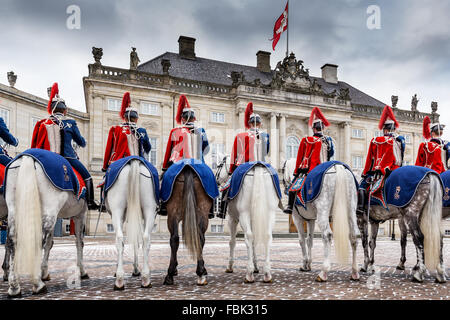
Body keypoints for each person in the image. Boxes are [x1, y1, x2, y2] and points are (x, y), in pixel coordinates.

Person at [32, 82, 99, 210]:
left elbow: (36, 143)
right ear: (64, 110)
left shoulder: (42, 123)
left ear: (52, 110)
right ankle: (90, 202)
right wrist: (83, 141)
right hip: (68, 158)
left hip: (46, 158)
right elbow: (80, 141)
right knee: (87, 176)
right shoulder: (70, 122)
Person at [159, 94, 210, 216]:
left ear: (182, 118)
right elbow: (206, 149)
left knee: (165, 180)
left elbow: (169, 151)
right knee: (210, 180)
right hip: (198, 163)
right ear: (194, 118)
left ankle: (163, 205)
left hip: (177, 164)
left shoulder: (175, 131)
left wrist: (165, 167)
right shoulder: (201, 131)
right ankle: (211, 208)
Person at [217, 102, 270, 219]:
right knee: (274, 180)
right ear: (260, 124)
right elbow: (266, 152)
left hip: (243, 166)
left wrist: (231, 171)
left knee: (226, 187)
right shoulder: (266, 136)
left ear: (249, 123)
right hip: (262, 166)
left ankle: (222, 210)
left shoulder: (240, 136)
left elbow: (234, 154)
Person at [283, 107, 334, 214]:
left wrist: (297, 171)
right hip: (327, 168)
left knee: (293, 186)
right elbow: (332, 153)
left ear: (313, 129)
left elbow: (300, 156)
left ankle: (290, 206)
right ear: (323, 128)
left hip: (310, 170)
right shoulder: (328, 140)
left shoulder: (307, 140)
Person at [357, 105, 405, 215]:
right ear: (393, 129)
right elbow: (401, 157)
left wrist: (365, 173)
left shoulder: (376, 140)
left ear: (385, 129)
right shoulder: (399, 140)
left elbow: (370, 159)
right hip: (395, 171)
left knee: (362, 186)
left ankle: (360, 208)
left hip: (380, 172)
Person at [102, 91, 151, 172]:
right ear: (136, 119)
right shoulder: (142, 131)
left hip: (118, 161)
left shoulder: (115, 129)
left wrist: (105, 167)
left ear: (124, 118)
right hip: (139, 161)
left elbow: (108, 150)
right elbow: (148, 148)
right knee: (154, 175)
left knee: (105, 181)